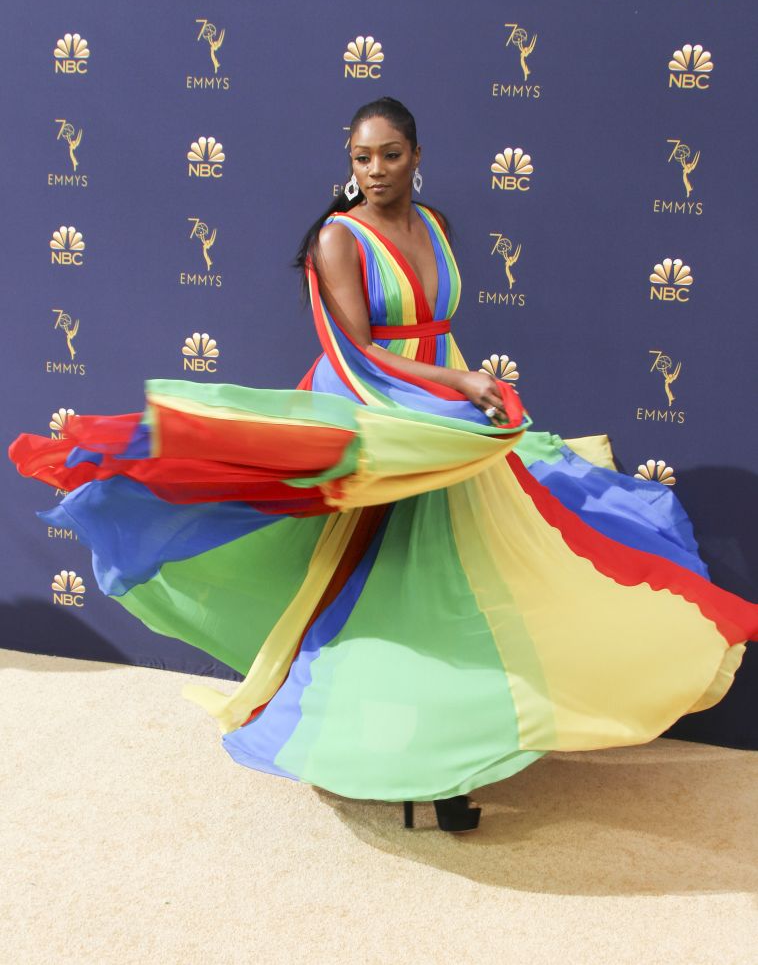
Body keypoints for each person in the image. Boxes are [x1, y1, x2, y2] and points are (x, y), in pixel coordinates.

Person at [10, 98, 757, 834]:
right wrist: (462, 387)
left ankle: (457, 751)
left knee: (478, 570)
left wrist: (466, 391)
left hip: (449, 406)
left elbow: (438, 328)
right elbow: (362, 349)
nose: (373, 170)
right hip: (382, 411)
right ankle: (407, 756)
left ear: (417, 157)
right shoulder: (340, 237)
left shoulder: (432, 223)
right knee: (397, 584)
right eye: (361, 158)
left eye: (389, 155)